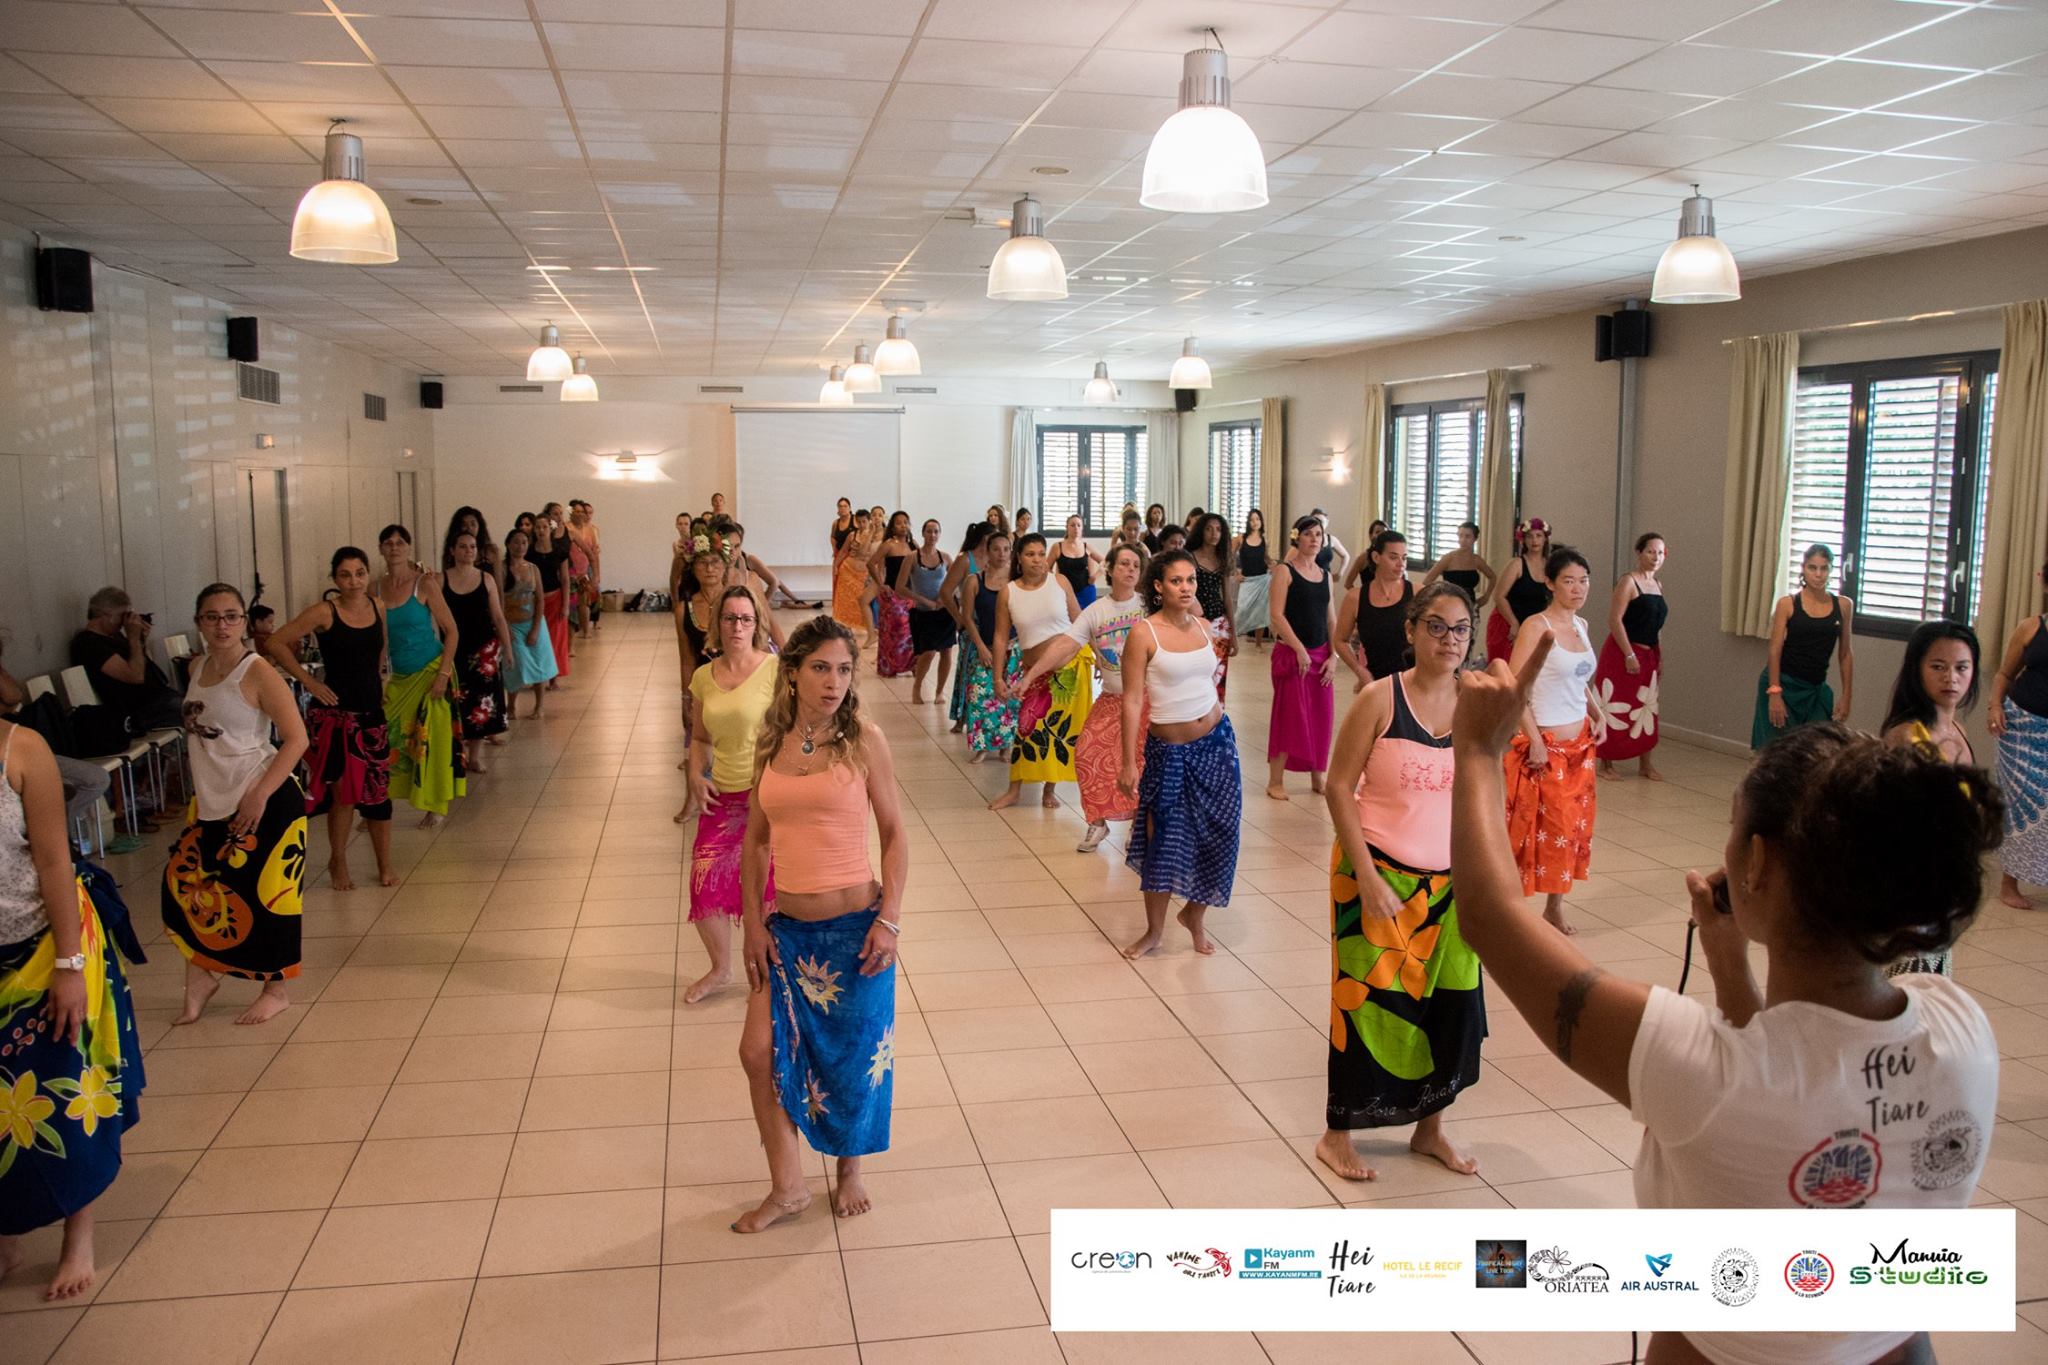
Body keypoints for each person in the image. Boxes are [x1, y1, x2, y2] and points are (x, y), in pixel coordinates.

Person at [1448, 637, 2000, 1365]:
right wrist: (1727, 959)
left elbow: (1489, 914)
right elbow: (1804, 1054)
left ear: (1757, 863)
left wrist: (1479, 753)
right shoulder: (1963, 1030)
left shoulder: (1699, 1070)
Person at [735, 616, 907, 1232]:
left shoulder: (865, 739)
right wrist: (753, 926)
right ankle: (787, 1187)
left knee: (852, 1060)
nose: (833, 681)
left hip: (856, 927)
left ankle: (849, 1171)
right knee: (758, 1053)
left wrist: (889, 921)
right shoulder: (770, 741)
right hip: (788, 932)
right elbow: (755, 843)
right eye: (819, 668)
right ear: (793, 672)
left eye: (842, 669)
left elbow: (893, 834)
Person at [1320, 581, 1482, 1183]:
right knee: (1369, 1008)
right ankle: (1338, 1134)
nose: (1449, 639)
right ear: (1411, 631)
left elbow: (1485, 798)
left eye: (1461, 628)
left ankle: (1429, 1130)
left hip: (1452, 885)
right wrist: (1365, 875)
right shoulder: (1379, 699)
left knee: (1451, 1010)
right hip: (1377, 873)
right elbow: (1339, 787)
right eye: (1435, 626)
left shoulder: (1476, 702)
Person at [0, 713, 145, 1301]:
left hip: (40, 948)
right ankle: (5, 1232)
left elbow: (56, 861)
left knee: (62, 1092)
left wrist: (69, 965)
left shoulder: (22, 749)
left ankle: (76, 1230)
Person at [162, 583, 308, 1026]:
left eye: (231, 616)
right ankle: (205, 970)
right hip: (214, 800)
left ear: (244, 621)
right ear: (199, 623)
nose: (222, 625)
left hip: (264, 799)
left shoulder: (258, 671)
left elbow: (297, 739)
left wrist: (259, 793)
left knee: (267, 900)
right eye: (212, 617)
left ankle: (275, 988)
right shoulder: (198, 666)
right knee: (193, 890)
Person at [1118, 550, 1237, 959]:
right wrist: (1128, 761)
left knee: (1220, 833)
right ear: (1158, 587)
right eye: (1176, 581)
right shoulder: (1143, 634)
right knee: (1163, 839)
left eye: (1190, 580)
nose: (1185, 588)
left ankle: (1195, 917)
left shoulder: (1205, 627)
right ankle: (1154, 931)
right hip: (1169, 751)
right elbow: (1132, 700)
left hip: (1217, 743)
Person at [266, 548, 395, 890]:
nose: (353, 581)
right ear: (335, 579)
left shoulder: (377, 606)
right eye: (345, 574)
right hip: (337, 716)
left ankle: (384, 864)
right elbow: (276, 642)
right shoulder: (325, 612)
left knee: (378, 794)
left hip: (372, 714)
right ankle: (338, 860)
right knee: (345, 795)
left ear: (368, 574)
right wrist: (309, 681)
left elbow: (380, 647)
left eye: (359, 573)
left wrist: (381, 677)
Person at [1015, 544, 1149, 852]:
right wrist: (1031, 674)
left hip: (1148, 701)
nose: (1130, 570)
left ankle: (1139, 826)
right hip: (1113, 698)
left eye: (1136, 566)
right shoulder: (1096, 611)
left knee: (1144, 762)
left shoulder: (1148, 606)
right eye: (1124, 564)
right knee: (1087, 751)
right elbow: (1066, 645)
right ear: (1110, 569)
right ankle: (1097, 822)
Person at [684, 587, 780, 1005]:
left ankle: (775, 972)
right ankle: (721, 969)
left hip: (768, 793)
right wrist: (693, 772)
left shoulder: (776, 670)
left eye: (745, 619)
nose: (737, 626)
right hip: (723, 793)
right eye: (729, 618)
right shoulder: (704, 677)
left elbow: (793, 728)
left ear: (757, 624)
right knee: (704, 883)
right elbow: (700, 736)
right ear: (716, 624)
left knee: (771, 889)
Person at [1504, 547, 1603, 936]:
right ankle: (1511, 907)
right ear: (1550, 583)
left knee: (1572, 828)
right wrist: (1534, 739)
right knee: (1536, 828)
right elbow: (1516, 688)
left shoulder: (1582, 627)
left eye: (1584, 580)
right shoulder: (1536, 626)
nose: (1578, 589)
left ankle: (1554, 906)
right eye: (1569, 581)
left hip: (1580, 745)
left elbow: (1581, 681)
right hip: (1545, 743)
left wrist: (1597, 713)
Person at [1877, 621, 1982, 978]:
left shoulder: (1958, 731)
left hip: (1946, 881)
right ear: (1916, 670)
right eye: (1938, 666)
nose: (1951, 677)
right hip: (1912, 882)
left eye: (1961, 668)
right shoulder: (1908, 735)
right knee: (1908, 981)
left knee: (1933, 980)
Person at [377, 525, 465, 827]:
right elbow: (380, 638)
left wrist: (442, 674)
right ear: (381, 549)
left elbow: (452, 631)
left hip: (431, 669)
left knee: (432, 740)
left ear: (409, 548)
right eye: (388, 543)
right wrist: (379, 675)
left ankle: (435, 804)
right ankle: (381, 800)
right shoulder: (375, 589)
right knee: (390, 736)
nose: (394, 548)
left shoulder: (424, 584)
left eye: (400, 543)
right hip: (400, 676)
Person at [990, 533, 1085, 811]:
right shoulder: (1009, 592)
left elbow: (1080, 621)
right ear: (1018, 558)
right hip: (1034, 670)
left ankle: (1049, 790)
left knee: (1060, 732)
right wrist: (998, 677)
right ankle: (1014, 790)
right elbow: (999, 637)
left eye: (1041, 553)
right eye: (1030, 554)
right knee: (1027, 728)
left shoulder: (1060, 582)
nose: (1037, 559)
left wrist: (1101, 658)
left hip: (1069, 668)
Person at [1268, 516, 1361, 800]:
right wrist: (1298, 648)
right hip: (1292, 653)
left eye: (1318, 534)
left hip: (1320, 654)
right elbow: (1276, 615)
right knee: (1289, 716)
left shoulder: (1323, 575)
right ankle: (1275, 780)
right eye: (1308, 534)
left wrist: (1333, 655)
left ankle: (1318, 775)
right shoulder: (1285, 572)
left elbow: (1331, 620)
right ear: (1297, 537)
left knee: (1322, 716)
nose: (1314, 539)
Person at [0, 639, 118, 854]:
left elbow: (12, 697)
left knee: (95, 778)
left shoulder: (23, 743)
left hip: (16, 752)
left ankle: (60, 832)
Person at [69, 588, 182, 775]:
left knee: (200, 705)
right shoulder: (88, 644)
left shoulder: (116, 637)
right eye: (122, 616)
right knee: (192, 711)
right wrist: (134, 638)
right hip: (132, 711)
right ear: (103, 615)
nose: (125, 622)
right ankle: (154, 780)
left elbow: (143, 668)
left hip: (154, 700)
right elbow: (135, 676)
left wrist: (140, 640)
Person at [1754, 543, 1855, 749]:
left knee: (1817, 751)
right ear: (1803, 569)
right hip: (1783, 683)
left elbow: (1845, 654)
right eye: (1812, 568)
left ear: (1831, 570)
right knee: (1776, 754)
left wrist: (1846, 696)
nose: (1818, 574)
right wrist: (1775, 692)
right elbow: (1774, 651)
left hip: (1815, 689)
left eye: (1824, 568)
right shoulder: (1787, 604)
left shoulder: (1843, 606)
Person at [1989, 557, 2048, 910]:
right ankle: (2009, 883)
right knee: (2021, 804)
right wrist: (1994, 706)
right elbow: (2003, 675)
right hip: (2021, 728)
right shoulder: (2030, 628)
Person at [1594, 533, 1669, 781]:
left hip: (1649, 652)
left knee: (1646, 708)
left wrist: (1660, 655)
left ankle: (1645, 763)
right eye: (1650, 551)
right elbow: (1614, 620)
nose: (1655, 557)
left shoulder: (1658, 585)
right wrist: (1628, 653)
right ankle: (1606, 762)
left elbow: (1657, 627)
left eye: (1660, 552)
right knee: (1616, 704)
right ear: (1639, 553)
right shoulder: (1628, 582)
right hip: (1622, 652)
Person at [442, 532, 512, 775]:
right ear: (452, 551)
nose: (468, 551)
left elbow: (498, 617)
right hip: (453, 649)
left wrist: (508, 650)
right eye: (462, 546)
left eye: (472, 546)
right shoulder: (440, 580)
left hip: (484, 651)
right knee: (455, 701)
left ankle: (475, 756)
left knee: (481, 704)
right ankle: (457, 752)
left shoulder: (486, 579)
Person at [674, 549, 732, 824]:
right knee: (698, 741)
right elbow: (686, 658)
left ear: (725, 567)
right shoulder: (683, 608)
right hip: (704, 685)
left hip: (737, 680)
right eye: (702, 563)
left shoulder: (737, 601)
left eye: (715, 563)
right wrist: (686, 698)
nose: (709, 568)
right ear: (693, 569)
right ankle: (692, 798)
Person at [962, 532, 1021, 764]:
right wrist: (981, 647)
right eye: (996, 549)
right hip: (985, 647)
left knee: (1011, 699)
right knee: (980, 695)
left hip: (1013, 649)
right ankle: (983, 746)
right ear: (987, 552)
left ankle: (1006, 746)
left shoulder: (1017, 582)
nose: (1002, 554)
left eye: (1006, 549)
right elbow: (967, 617)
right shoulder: (975, 580)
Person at [1335, 529, 1413, 684]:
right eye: (1393, 557)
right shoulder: (1355, 598)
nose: (1401, 564)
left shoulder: (1417, 593)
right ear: (1376, 557)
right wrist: (1359, 670)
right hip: (1375, 681)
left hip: (1412, 682)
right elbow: (1340, 640)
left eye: (1404, 558)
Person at [501, 527, 558, 718]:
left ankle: (539, 706)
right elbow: (498, 600)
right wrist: (504, 627)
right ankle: (511, 706)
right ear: (508, 544)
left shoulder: (533, 569)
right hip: (512, 625)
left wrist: (535, 628)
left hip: (534, 622)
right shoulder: (501, 569)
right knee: (515, 665)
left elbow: (539, 599)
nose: (520, 546)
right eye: (516, 542)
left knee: (539, 663)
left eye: (524, 542)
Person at [898, 518, 954, 706]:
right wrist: (924, 601)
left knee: (946, 651)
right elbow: (900, 587)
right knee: (928, 652)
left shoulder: (945, 557)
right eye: (929, 531)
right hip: (923, 612)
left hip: (944, 611)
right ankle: (917, 686)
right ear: (922, 533)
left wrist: (944, 598)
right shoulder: (912, 558)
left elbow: (956, 581)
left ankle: (939, 692)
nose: (932, 535)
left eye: (936, 531)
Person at [942, 523, 989, 733]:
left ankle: (985, 714)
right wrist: (959, 617)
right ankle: (961, 716)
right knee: (966, 670)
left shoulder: (996, 560)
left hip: (991, 623)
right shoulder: (965, 560)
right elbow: (945, 592)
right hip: (970, 625)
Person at [1484, 517, 1551, 664]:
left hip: (1532, 626)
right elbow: (1499, 596)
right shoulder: (1517, 564)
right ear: (1523, 540)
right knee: (1504, 671)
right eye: (1529, 536)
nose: (1534, 540)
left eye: (1538, 536)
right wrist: (1514, 624)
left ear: (1545, 539)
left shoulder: (1550, 566)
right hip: (1507, 624)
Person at [1189, 512, 1238, 699]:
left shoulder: (1223, 559)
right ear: (1201, 531)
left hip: (1219, 624)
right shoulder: (1190, 557)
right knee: (1197, 674)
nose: (1214, 533)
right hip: (1195, 621)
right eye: (1209, 529)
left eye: (1218, 529)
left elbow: (1227, 598)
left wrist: (1234, 632)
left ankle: (1215, 718)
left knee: (1218, 676)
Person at [528, 503, 574, 682]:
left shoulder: (559, 551)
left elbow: (564, 579)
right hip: (534, 600)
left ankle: (553, 676)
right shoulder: (530, 553)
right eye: (538, 527)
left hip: (554, 599)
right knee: (537, 637)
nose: (541, 530)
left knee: (555, 638)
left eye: (544, 527)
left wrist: (565, 605)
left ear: (550, 528)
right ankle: (538, 674)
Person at [868, 511, 916, 678]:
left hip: (911, 594)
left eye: (906, 522)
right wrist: (881, 585)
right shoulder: (889, 544)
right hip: (893, 594)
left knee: (912, 632)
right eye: (899, 523)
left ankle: (912, 665)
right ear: (893, 527)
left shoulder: (913, 545)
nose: (903, 525)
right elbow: (871, 563)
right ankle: (890, 666)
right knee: (894, 631)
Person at [1419, 520, 1493, 606]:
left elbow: (1492, 577)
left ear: (1475, 539)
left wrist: (1487, 596)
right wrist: (1440, 596)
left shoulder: (1476, 560)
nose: (1463, 540)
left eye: (1467, 536)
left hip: (1471, 606)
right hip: (1450, 606)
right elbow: (1427, 581)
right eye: (1460, 536)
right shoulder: (1449, 558)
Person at [831, 508, 872, 645]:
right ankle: (845, 626)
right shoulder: (852, 535)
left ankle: (868, 628)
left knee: (862, 600)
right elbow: (843, 552)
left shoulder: (874, 536)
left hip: (864, 574)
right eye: (859, 522)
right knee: (846, 600)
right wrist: (836, 566)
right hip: (848, 570)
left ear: (869, 521)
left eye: (864, 521)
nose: (861, 524)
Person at [1234, 508, 1271, 648]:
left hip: (1262, 579)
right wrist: (1235, 574)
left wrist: (1274, 566)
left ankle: (1258, 644)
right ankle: (1233, 637)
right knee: (1242, 609)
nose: (1255, 522)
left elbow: (1266, 557)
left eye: (1257, 519)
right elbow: (1230, 557)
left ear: (1261, 521)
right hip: (1247, 580)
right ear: (1248, 522)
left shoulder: (1264, 539)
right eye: (1252, 519)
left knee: (1260, 613)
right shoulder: (1240, 538)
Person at [442, 506, 501, 591]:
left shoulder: (491, 551)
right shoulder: (451, 552)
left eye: (473, 524)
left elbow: (499, 586)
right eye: (464, 525)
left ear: (479, 526)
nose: (469, 528)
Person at [1053, 514, 1102, 610]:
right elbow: (1047, 568)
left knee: (1088, 622)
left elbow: (1107, 562)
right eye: (1072, 525)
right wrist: (1055, 582)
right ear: (1067, 527)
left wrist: (1096, 576)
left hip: (1086, 592)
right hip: (1065, 593)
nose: (1076, 528)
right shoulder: (1057, 547)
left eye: (1079, 525)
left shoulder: (1086, 546)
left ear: (1082, 528)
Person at [1312, 508, 1351, 584]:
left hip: (1327, 581)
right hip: (1310, 580)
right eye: (1316, 521)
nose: (1318, 524)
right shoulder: (1306, 540)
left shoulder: (1331, 539)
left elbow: (1346, 556)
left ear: (1327, 522)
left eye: (1321, 522)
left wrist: (1340, 574)